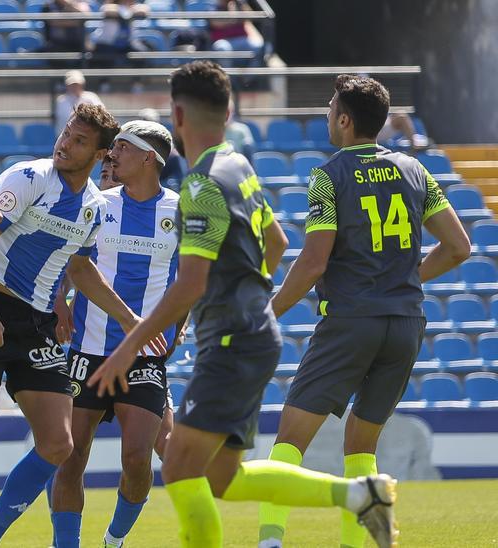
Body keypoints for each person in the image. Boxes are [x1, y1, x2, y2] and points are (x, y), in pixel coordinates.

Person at [87, 60, 399, 548]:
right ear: (230, 111)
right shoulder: (239, 164)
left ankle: (360, 496)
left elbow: (190, 284)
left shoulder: (202, 183)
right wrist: (251, 294)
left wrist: (129, 348)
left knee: (182, 467)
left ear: (178, 116)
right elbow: (275, 242)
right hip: (254, 335)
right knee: (221, 477)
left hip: (232, 340)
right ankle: (360, 494)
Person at [0, 104, 166, 548]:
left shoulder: (92, 206)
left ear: (100, 154)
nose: (64, 145)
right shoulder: (28, 178)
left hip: (38, 324)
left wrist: (132, 321)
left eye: (78, 141)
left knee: (58, 445)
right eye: (66, 134)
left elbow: (84, 271)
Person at [257, 75, 470, 548]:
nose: (326, 114)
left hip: (351, 321)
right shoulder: (415, 170)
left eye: (331, 106)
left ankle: (269, 542)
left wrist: (268, 312)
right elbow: (459, 246)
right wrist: (407, 278)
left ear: (346, 119)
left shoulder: (328, 175)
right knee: (361, 447)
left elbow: (313, 261)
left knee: (289, 441)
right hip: (405, 324)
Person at [45, 120, 180, 548]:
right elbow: (62, 258)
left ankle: (113, 540)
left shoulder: (181, 211)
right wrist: (57, 302)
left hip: (143, 356)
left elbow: (194, 279)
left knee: (138, 457)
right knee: (70, 458)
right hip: (87, 349)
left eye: (122, 147)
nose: (111, 153)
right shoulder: (97, 204)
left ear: (148, 158)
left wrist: (181, 324)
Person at [89, 0, 151, 67]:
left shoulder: (131, 7)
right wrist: (125, 12)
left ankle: (139, 77)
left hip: (126, 44)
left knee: (140, 54)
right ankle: (104, 77)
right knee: (106, 56)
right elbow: (107, 10)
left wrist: (127, 12)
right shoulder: (109, 6)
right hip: (106, 44)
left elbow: (144, 10)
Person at [207, 0, 264, 67]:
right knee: (222, 48)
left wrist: (241, 4)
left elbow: (249, 17)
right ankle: (228, 76)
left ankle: (247, 77)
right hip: (224, 41)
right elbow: (215, 22)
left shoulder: (239, 4)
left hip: (241, 40)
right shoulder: (215, 6)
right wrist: (232, 19)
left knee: (257, 46)